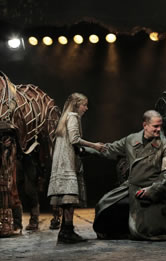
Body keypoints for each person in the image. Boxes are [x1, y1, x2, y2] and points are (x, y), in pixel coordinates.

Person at [91, 110, 166, 240]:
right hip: (129, 188)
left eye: (160, 126)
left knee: (143, 231)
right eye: (155, 126)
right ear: (145, 125)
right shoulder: (131, 139)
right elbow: (110, 149)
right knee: (104, 205)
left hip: (152, 192)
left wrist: (152, 190)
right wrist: (85, 149)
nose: (159, 129)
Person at [47, 93, 105, 243]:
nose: (86, 108)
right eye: (84, 105)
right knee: (69, 199)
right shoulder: (72, 116)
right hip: (67, 164)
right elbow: (74, 139)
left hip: (63, 162)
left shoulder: (65, 118)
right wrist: (95, 146)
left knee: (68, 200)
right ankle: (67, 232)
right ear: (76, 105)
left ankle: (66, 231)